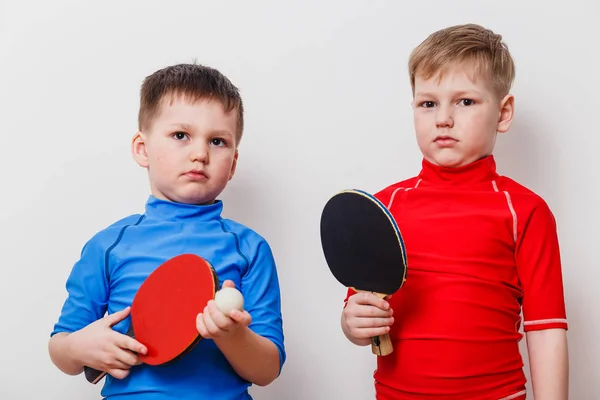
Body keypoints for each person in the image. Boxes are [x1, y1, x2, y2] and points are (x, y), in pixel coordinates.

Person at [341, 23, 568, 399]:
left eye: (465, 101)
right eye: (428, 103)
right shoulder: (383, 208)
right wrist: (352, 323)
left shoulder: (525, 211)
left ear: (504, 112)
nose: (443, 118)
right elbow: (359, 313)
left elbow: (546, 331)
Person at [48, 63, 286, 399]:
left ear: (232, 164)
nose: (200, 153)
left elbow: (267, 370)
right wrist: (78, 348)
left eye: (217, 141)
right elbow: (61, 348)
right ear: (142, 149)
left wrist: (231, 335)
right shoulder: (108, 246)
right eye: (180, 135)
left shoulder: (249, 248)